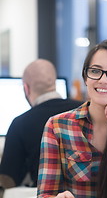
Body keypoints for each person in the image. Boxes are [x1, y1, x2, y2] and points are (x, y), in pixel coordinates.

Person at [34, 40, 107, 198]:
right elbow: (43, 197)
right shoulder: (58, 126)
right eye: (95, 71)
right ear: (85, 77)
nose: (103, 80)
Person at [0, 59, 83, 189]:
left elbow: (8, 180)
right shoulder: (83, 111)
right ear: (54, 82)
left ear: (26, 88)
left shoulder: (20, 123)